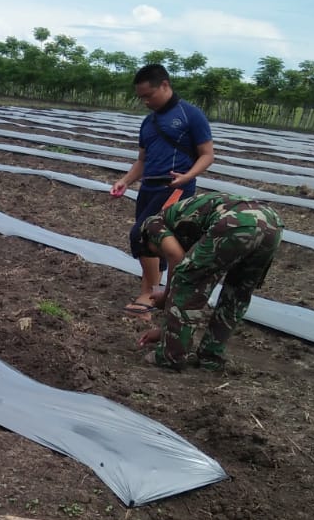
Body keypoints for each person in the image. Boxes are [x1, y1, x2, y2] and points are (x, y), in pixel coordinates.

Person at [134, 191, 282, 371]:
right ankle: (211, 356)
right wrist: (166, 330)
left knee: (188, 281)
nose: (159, 255)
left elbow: (176, 258)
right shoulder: (185, 221)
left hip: (236, 222)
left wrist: (165, 297)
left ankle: (170, 356)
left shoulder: (152, 226)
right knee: (237, 293)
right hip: (271, 223)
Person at [110, 64, 214, 317]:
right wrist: (126, 181)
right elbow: (142, 160)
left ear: (165, 85)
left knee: (142, 235)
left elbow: (207, 155)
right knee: (156, 242)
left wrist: (187, 176)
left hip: (175, 187)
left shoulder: (191, 115)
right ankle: (165, 292)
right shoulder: (149, 122)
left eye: (149, 95)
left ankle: (150, 293)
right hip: (149, 187)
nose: (145, 102)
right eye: (141, 98)